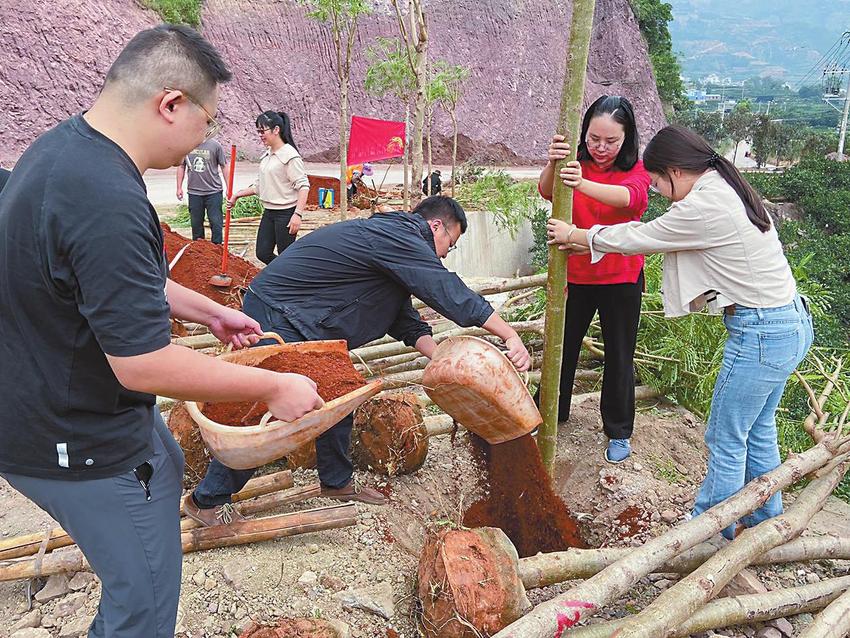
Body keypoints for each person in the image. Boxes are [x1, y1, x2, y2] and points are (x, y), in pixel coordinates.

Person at [0, 25, 322, 638]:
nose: (207, 139)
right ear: (170, 103)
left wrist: (209, 311)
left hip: (52, 398)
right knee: (142, 607)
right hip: (74, 436)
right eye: (207, 121)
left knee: (166, 460)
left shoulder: (67, 151)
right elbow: (142, 365)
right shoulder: (106, 200)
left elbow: (116, 276)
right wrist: (272, 389)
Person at [184, 196, 532, 523]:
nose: (443, 256)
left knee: (339, 392)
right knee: (271, 407)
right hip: (280, 315)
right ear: (437, 226)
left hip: (302, 320)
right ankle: (207, 500)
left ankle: (335, 480)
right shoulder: (399, 234)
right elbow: (446, 290)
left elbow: (402, 318)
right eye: (449, 245)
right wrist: (508, 334)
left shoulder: (392, 246)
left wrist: (444, 359)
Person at [547, 124, 813, 539]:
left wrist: (578, 235)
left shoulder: (705, 206)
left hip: (761, 332)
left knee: (725, 436)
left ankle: (705, 533)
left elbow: (645, 234)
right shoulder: (723, 184)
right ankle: (763, 515)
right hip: (786, 324)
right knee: (757, 429)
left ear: (675, 170)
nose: (657, 190)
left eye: (658, 182)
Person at [536, 95, 650, 464]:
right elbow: (547, 191)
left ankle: (618, 431)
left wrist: (581, 183)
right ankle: (551, 412)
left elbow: (630, 201)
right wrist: (556, 162)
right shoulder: (574, 162)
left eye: (611, 141)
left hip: (621, 275)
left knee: (619, 355)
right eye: (593, 139)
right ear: (583, 133)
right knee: (561, 347)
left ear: (627, 139)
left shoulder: (636, 170)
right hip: (576, 275)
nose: (601, 148)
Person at [229, 111, 309, 264]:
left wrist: (297, 215)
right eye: (258, 131)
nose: (260, 135)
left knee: (286, 256)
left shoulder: (290, 156)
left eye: (262, 131)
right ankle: (282, 275)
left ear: (276, 130)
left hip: (286, 214)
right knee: (262, 253)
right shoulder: (267, 155)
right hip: (269, 212)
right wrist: (237, 195)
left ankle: (289, 282)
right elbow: (259, 186)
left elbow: (303, 186)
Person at [176, 138, 230, 243]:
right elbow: (181, 166)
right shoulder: (186, 145)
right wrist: (179, 187)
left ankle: (217, 248)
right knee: (196, 224)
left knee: (216, 223)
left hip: (213, 192)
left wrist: (229, 187)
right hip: (194, 192)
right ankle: (198, 248)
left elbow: (224, 165)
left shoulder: (215, 145)